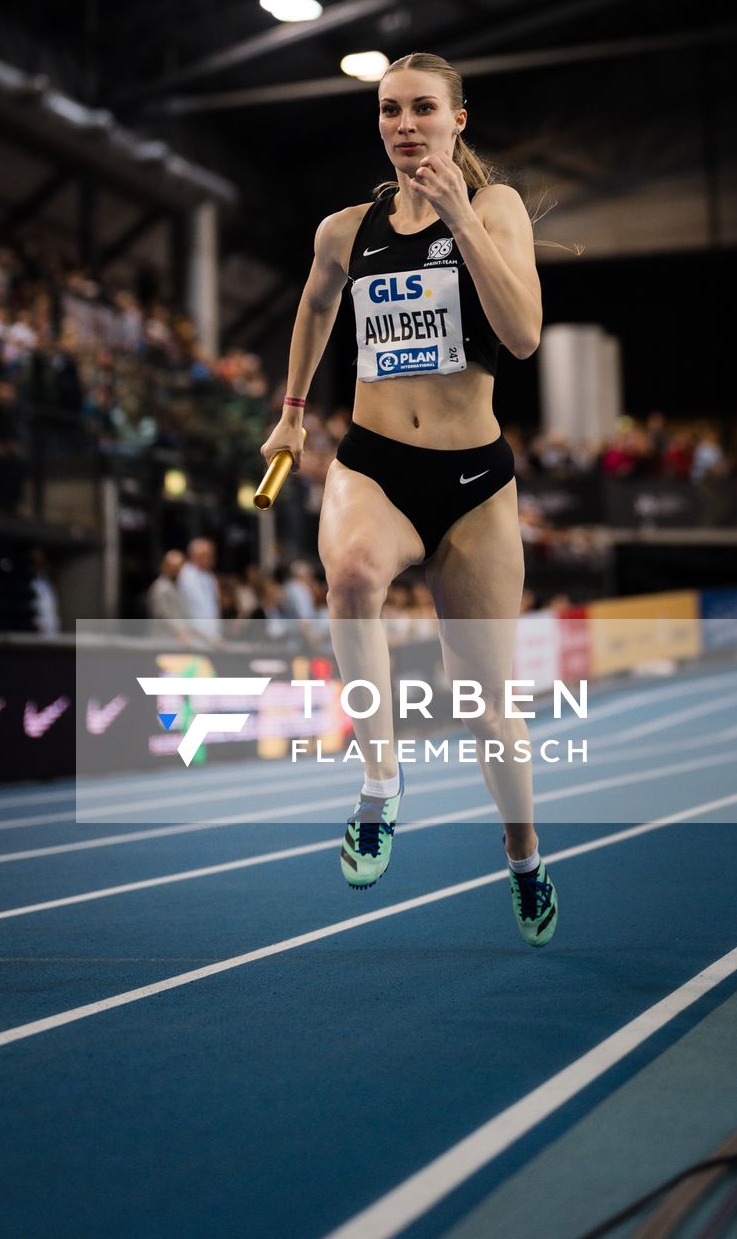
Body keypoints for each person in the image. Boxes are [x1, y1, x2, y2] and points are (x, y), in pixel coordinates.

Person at [260, 50, 557, 946]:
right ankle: (380, 787)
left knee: (487, 703)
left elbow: (522, 334)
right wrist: (292, 412)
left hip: (474, 484)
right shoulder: (346, 230)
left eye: (423, 108)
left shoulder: (497, 209)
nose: (404, 125)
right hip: (375, 463)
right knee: (351, 575)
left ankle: (524, 857)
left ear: (457, 119)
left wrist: (461, 217)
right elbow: (317, 306)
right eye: (390, 110)